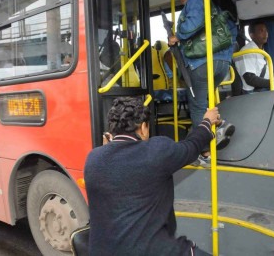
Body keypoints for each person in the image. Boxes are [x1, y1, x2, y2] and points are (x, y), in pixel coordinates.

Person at [84, 96, 220, 256]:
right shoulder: (157, 150)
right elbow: (192, 146)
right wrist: (206, 121)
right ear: (143, 127)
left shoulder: (93, 158)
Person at [168, 0, 237, 165]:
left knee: (198, 107)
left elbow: (193, 24)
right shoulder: (217, 4)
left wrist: (177, 36)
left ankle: (205, 153)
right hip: (221, 63)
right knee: (205, 101)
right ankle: (220, 124)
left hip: (202, 63)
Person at [234, 21, 271, 93]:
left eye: (266, 30)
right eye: (261, 31)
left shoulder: (261, 51)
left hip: (264, 89)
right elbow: (250, 79)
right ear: (251, 35)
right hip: (252, 93)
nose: (265, 33)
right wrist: (272, 83)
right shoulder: (247, 51)